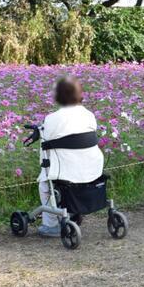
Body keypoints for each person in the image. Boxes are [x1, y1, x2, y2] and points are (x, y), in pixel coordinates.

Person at [37, 77, 104, 237]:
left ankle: (51, 225)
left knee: (45, 183)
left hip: (65, 171)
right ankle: (75, 209)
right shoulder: (89, 115)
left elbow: (45, 139)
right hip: (93, 168)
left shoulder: (52, 119)